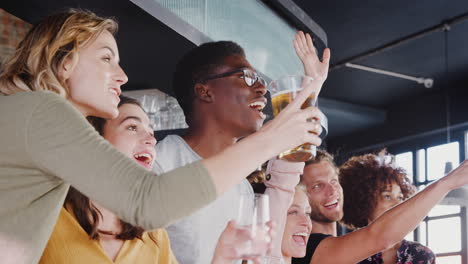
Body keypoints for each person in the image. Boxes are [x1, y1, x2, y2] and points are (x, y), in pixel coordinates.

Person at [0, 9, 324, 263]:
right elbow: (147, 201)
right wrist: (273, 137)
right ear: (64, 61)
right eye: (106, 58)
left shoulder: (30, 121)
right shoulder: (38, 109)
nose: (122, 75)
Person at [152, 31, 329, 263]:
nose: (261, 89)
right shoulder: (160, 163)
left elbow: (280, 188)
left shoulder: (240, 188)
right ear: (205, 91)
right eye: (246, 77)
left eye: (260, 80)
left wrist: (311, 88)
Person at [293, 148, 468, 264]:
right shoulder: (303, 250)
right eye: (317, 186)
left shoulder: (419, 254)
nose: (332, 191)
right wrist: (447, 183)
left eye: (333, 181)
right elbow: (380, 237)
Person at [339, 151, 435, 264]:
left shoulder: (422, 255)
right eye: (387, 196)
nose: (398, 204)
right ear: (364, 201)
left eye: (400, 197)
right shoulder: (345, 255)